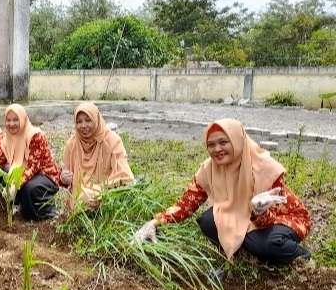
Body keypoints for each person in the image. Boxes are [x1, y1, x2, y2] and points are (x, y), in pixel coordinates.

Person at [135, 118, 312, 265]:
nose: (217, 149)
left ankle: (302, 256)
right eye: (211, 144)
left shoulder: (265, 169)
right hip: (244, 217)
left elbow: (268, 222)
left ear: (237, 140)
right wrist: (153, 223)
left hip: (284, 219)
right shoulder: (208, 169)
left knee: (269, 244)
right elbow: (186, 204)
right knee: (208, 221)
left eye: (223, 142)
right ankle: (247, 249)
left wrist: (259, 210)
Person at [60, 103, 134, 209]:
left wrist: (103, 194)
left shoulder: (113, 141)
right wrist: (63, 178)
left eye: (88, 120)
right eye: (79, 122)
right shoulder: (72, 144)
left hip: (108, 191)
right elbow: (64, 178)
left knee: (85, 198)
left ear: (96, 119)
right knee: (82, 198)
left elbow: (125, 176)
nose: (83, 126)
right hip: (80, 195)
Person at [0, 104, 60, 221]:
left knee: (29, 188)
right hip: (25, 173)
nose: (11, 124)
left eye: (16, 120)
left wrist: (15, 185)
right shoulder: (7, 138)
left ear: (23, 119)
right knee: (4, 173)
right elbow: (0, 161)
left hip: (44, 174)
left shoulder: (35, 136)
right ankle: (19, 204)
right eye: (8, 120)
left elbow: (33, 167)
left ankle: (47, 211)